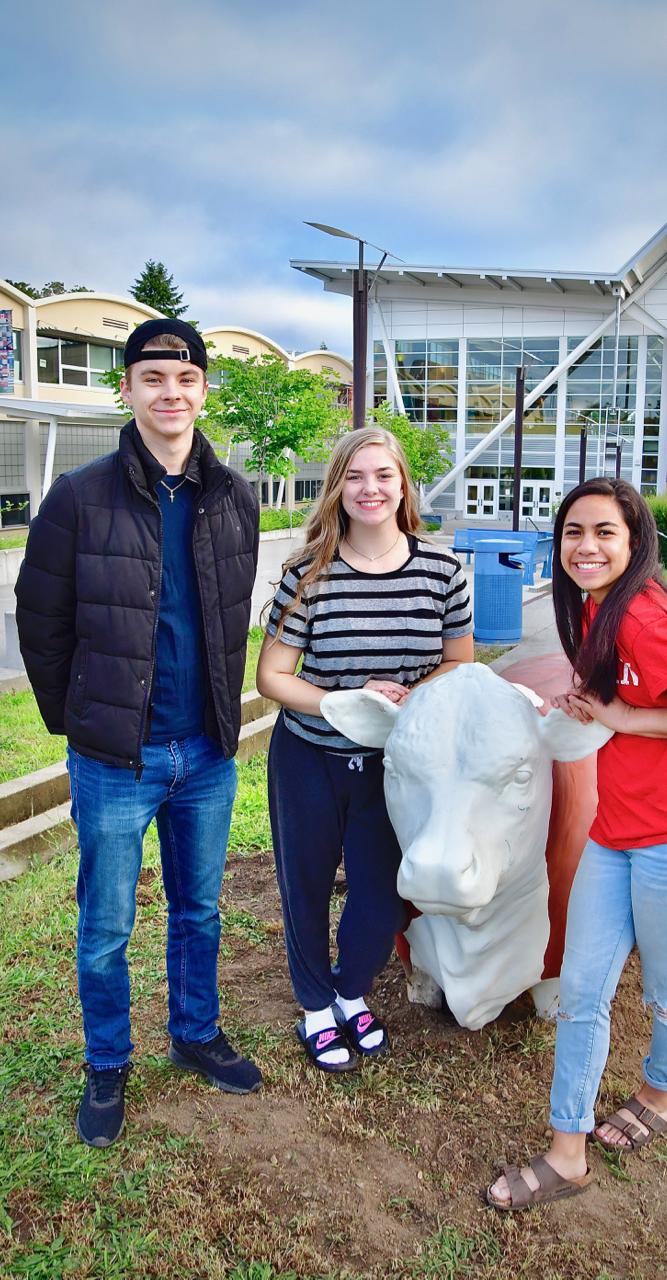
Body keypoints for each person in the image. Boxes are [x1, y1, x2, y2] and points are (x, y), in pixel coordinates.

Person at [15, 317, 263, 1148]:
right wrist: (79, 719)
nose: (171, 393)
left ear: (202, 390)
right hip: (114, 759)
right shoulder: (78, 497)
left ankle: (194, 1034)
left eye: (186, 378)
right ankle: (108, 1063)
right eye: (153, 378)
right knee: (106, 925)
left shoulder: (235, 497)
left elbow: (230, 618)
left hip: (204, 754)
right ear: (127, 388)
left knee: (199, 910)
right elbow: (40, 622)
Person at [487, 477, 667, 1210]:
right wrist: (597, 712)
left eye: (605, 532)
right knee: (580, 991)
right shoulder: (594, 614)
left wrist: (627, 720)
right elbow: (617, 707)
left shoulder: (641, 617)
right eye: (573, 532)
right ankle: (565, 1152)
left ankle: (658, 1097)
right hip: (615, 833)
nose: (586, 547)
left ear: (634, 541)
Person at [256, 426, 473, 1072]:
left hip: (393, 767)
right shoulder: (307, 573)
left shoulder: (441, 570)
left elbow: (457, 664)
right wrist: (346, 699)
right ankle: (316, 1008)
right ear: (336, 489)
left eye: (382, 475)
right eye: (354, 476)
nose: (369, 488)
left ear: (403, 484)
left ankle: (351, 991)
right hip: (309, 758)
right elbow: (272, 677)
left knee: (381, 899)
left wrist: (404, 695)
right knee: (306, 887)